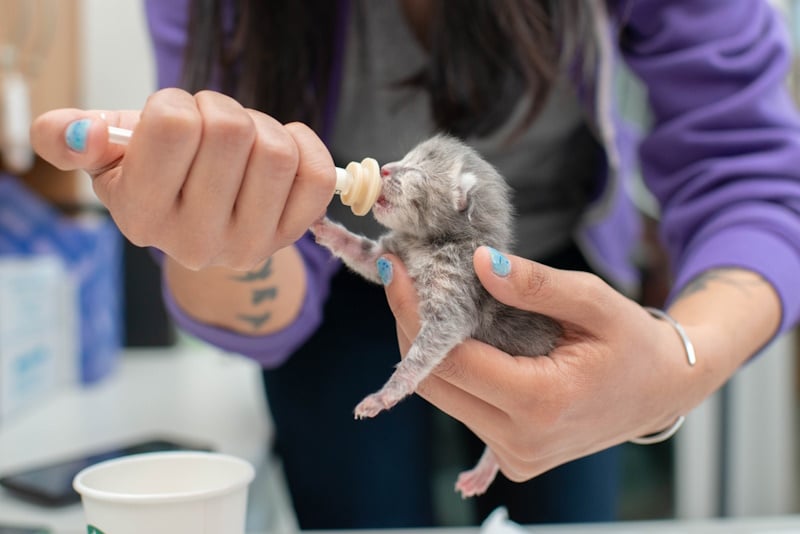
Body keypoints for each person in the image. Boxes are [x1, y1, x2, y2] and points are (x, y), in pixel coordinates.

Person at [30, 0, 800, 528]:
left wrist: (677, 362)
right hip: (332, 304)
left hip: (553, 279)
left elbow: (754, 170)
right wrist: (219, 231)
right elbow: (248, 281)